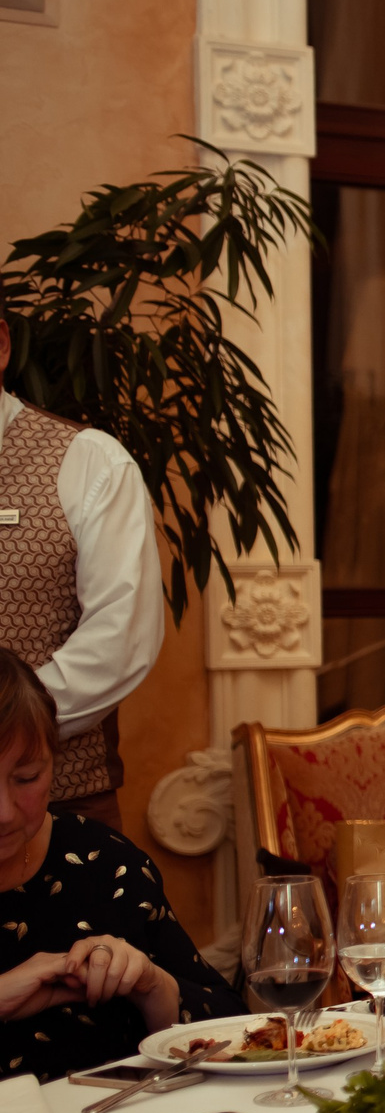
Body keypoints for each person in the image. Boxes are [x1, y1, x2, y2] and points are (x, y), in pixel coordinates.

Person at [0, 649, 238, 1081]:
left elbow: (235, 1030)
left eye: (27, 777)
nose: (4, 812)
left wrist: (155, 988)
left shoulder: (103, 862)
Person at [0, 315, 166, 832]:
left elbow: (122, 637)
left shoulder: (89, 461)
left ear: (1, 345)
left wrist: (9, 725)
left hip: (58, 810)